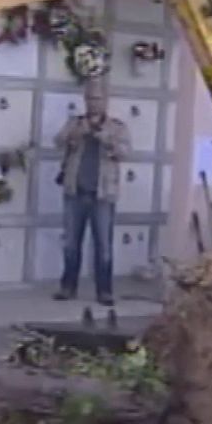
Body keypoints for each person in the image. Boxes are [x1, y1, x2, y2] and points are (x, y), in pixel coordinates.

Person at [53, 74, 130, 306]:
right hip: (75, 192)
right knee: (70, 243)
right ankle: (68, 287)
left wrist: (104, 138)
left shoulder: (117, 127)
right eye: (90, 98)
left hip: (103, 195)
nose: (93, 103)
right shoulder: (76, 122)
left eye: (98, 98)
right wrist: (76, 134)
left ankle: (104, 291)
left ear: (106, 100)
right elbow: (57, 141)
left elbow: (125, 152)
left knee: (104, 246)